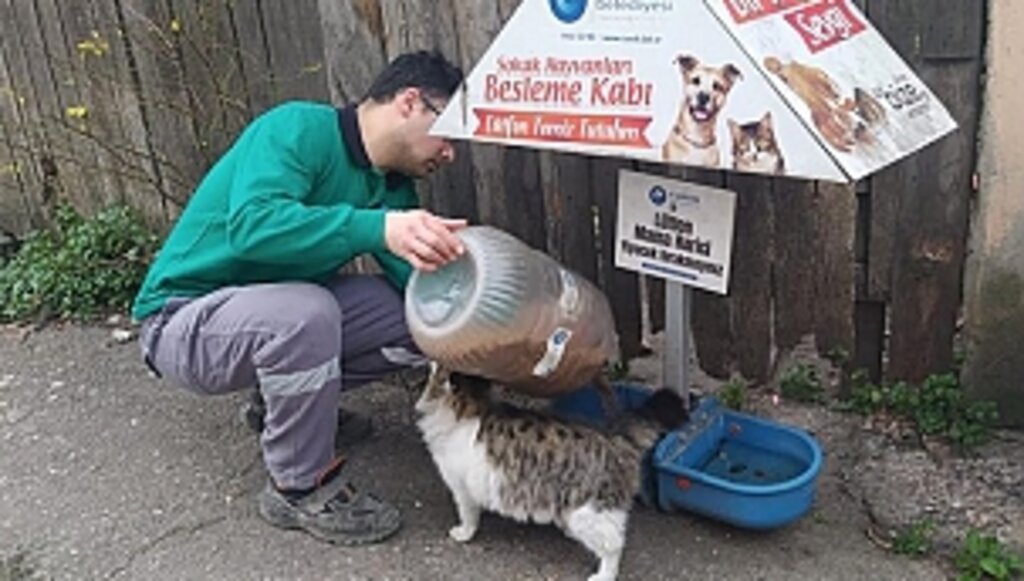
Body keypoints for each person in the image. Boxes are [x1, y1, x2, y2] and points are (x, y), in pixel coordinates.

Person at [131, 50, 466, 545]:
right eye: (450, 133)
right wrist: (374, 226)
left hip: (265, 316)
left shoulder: (390, 187)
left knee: (416, 320)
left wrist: (489, 322)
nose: (451, 153)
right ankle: (298, 484)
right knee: (305, 315)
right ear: (409, 102)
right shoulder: (296, 129)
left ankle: (282, 409)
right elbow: (253, 227)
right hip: (181, 320)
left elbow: (417, 284)